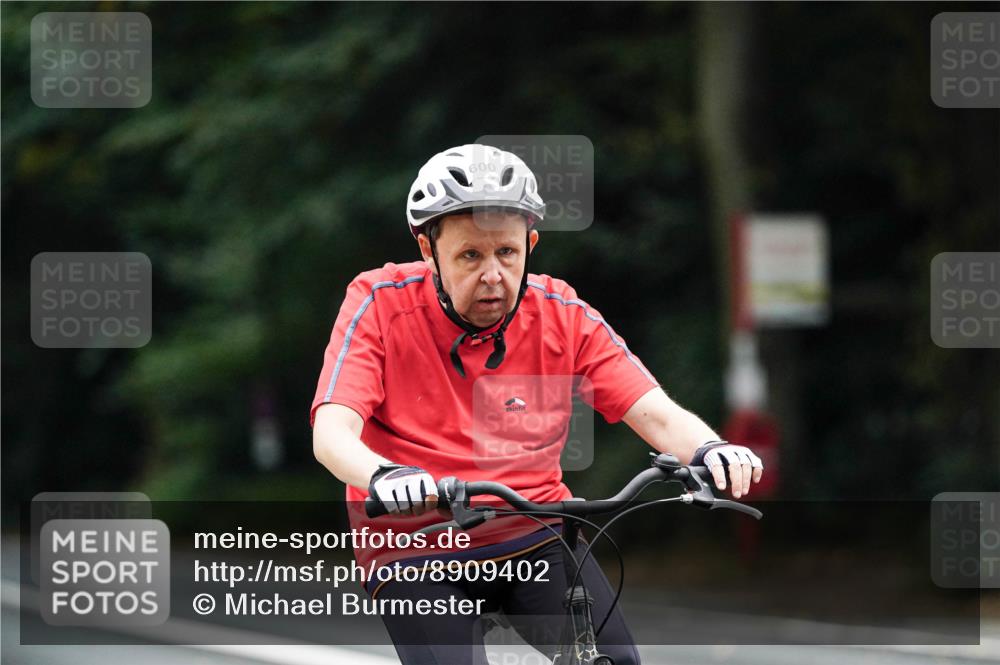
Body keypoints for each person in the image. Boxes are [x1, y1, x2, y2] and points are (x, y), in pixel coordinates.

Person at [311, 143, 764, 665]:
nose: (492, 275)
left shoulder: (561, 313)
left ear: (530, 244)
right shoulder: (378, 302)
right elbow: (332, 433)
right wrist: (385, 476)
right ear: (427, 250)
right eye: (469, 256)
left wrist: (709, 448)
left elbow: (656, 412)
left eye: (506, 253)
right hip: (416, 545)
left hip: (535, 531)